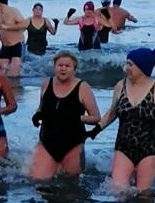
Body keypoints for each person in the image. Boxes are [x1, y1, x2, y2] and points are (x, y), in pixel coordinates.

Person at [84, 47, 155, 193]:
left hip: (150, 148)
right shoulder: (120, 86)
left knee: (143, 194)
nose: (125, 68)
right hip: (123, 146)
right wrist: (96, 130)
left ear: (142, 67)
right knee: (117, 190)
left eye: (130, 64)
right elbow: (113, 112)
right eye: (126, 63)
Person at [29, 50, 101, 180]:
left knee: (71, 185)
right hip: (47, 142)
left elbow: (96, 118)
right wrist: (37, 115)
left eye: (67, 66)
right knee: (37, 180)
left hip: (72, 144)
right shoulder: (46, 84)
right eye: (60, 65)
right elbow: (42, 107)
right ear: (54, 67)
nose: (63, 69)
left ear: (74, 69)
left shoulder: (82, 87)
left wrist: (77, 118)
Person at [0, 0, 28, 77]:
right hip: (5, 46)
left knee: (14, 72)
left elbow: (24, 24)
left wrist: (7, 27)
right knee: (2, 71)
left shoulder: (13, 11)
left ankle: (16, 88)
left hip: (16, 45)